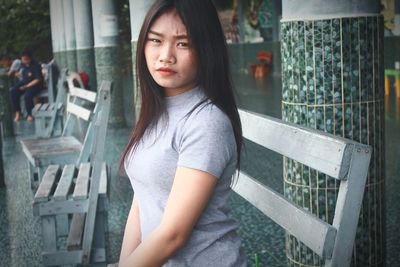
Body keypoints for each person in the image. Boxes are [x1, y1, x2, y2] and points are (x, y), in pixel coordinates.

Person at [118, 0, 245, 266]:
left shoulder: (206, 122)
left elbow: (172, 236)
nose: (165, 55)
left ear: (206, 49)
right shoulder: (157, 110)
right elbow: (141, 198)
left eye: (183, 43)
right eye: (155, 40)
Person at [9, 50, 43, 122]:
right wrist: (18, 74)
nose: (23, 61)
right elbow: (23, 73)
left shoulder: (36, 65)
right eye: (22, 59)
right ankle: (18, 113)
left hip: (35, 84)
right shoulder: (22, 64)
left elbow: (37, 79)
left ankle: (30, 114)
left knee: (27, 95)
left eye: (25, 59)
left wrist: (27, 86)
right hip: (24, 82)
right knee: (13, 91)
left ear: (29, 58)